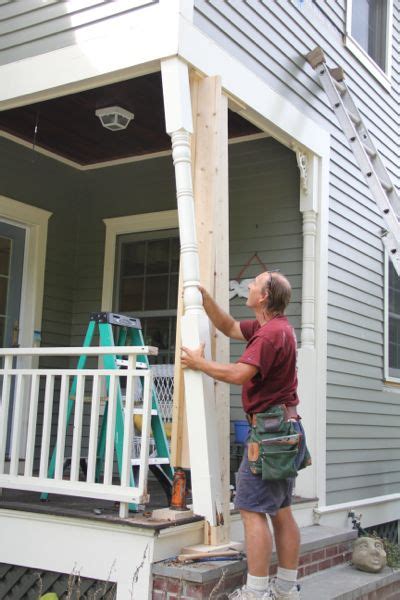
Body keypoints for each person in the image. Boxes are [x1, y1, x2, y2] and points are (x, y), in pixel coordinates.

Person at [181, 271, 306, 600]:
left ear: (264, 296)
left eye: (254, 283)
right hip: (285, 428)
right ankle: (286, 589)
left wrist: (199, 363)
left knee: (252, 510)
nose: (248, 286)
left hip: (270, 434)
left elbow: (239, 373)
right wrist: (206, 299)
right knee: (281, 509)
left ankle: (256, 593)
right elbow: (230, 327)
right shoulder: (273, 327)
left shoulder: (269, 335)